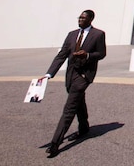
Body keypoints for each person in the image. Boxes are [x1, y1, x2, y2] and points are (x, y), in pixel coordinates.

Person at [42, 10, 107, 158]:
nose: (80, 20)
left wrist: (88, 55)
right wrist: (49, 74)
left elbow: (102, 54)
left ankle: (55, 143)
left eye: (84, 18)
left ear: (91, 19)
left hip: (84, 75)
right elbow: (62, 55)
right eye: (79, 17)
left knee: (69, 108)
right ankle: (84, 128)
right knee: (78, 101)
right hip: (71, 74)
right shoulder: (72, 35)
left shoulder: (98, 34)